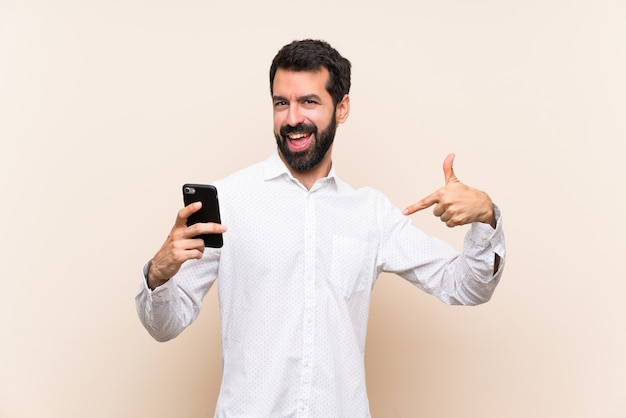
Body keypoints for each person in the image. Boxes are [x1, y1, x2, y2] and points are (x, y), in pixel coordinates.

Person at [136, 39, 505, 417]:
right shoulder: (228, 200)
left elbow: (465, 286)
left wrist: (485, 219)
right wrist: (158, 275)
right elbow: (165, 325)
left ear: (341, 108)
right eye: (282, 103)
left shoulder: (370, 212)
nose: (292, 117)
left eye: (309, 102)